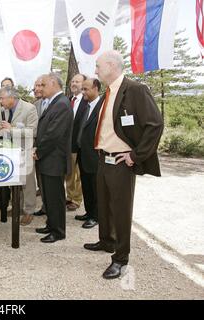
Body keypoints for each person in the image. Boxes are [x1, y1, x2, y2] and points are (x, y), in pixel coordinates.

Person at [84, 50, 164, 279]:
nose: (96, 70)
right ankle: (107, 241)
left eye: (98, 66)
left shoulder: (135, 89)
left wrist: (136, 155)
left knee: (120, 210)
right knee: (104, 205)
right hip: (104, 158)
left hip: (121, 161)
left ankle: (120, 258)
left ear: (111, 65)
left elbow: (155, 124)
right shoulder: (109, 92)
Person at [33, 73, 73, 243]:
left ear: (54, 84)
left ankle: (58, 231)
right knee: (48, 196)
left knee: (55, 197)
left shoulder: (62, 104)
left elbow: (53, 135)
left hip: (54, 159)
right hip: (48, 159)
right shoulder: (55, 103)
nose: (41, 88)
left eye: (44, 85)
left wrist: (38, 151)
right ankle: (51, 224)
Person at [0, 86, 38, 226]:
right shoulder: (4, 110)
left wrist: (11, 129)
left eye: (2, 98)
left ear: (11, 98)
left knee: (28, 183)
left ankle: (29, 211)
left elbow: (32, 131)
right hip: (11, 152)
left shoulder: (29, 108)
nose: (0, 101)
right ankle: (17, 207)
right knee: (16, 182)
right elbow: (5, 127)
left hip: (25, 151)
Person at [76, 79, 103, 229]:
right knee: (86, 185)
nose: (83, 92)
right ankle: (88, 211)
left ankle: (96, 216)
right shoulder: (85, 106)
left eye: (86, 89)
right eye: (82, 89)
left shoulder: (101, 107)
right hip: (82, 152)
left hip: (94, 154)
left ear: (96, 88)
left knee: (94, 186)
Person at [66, 74, 87, 212]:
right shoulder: (67, 100)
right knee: (68, 172)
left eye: (77, 82)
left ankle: (76, 199)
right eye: (72, 81)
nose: (74, 83)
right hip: (66, 143)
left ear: (83, 84)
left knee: (77, 174)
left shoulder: (87, 102)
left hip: (79, 144)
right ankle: (69, 196)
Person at [32, 76, 47, 217]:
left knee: (51, 183)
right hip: (37, 147)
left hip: (50, 149)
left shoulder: (57, 104)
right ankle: (45, 206)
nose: (37, 89)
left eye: (40, 85)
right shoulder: (35, 105)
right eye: (35, 86)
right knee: (41, 178)